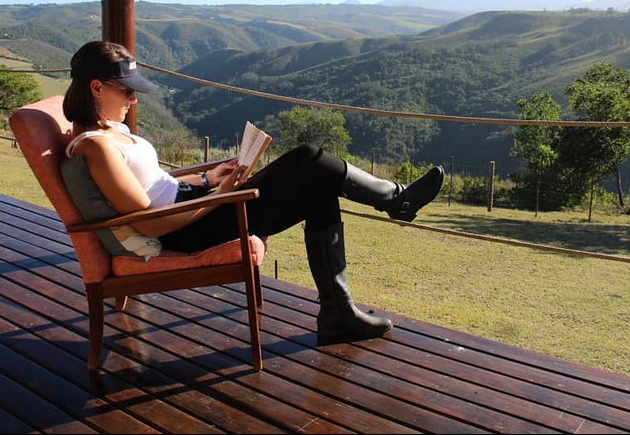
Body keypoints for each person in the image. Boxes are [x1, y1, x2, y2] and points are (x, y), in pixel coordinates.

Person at [62, 41, 444, 342]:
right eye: (126, 91)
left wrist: (211, 178)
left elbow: (158, 185)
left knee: (319, 188)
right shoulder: (96, 146)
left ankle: (338, 312)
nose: (133, 100)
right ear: (96, 87)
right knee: (308, 158)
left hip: (192, 205)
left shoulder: (114, 131)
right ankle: (397, 200)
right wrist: (218, 196)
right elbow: (150, 223)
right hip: (186, 227)